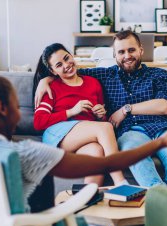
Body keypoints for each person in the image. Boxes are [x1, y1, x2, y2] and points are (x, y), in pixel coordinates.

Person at [0, 74, 167, 211]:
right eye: (17, 106)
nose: (20, 114)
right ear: (2, 108)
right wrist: (160, 143)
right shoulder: (28, 154)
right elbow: (105, 165)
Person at [35, 30, 167, 190]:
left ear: (141, 49)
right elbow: (67, 74)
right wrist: (45, 79)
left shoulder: (159, 74)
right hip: (132, 133)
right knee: (131, 152)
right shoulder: (106, 75)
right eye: (121, 52)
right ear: (115, 55)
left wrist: (124, 110)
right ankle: (156, 197)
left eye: (131, 50)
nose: (127, 56)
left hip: (163, 129)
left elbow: (165, 106)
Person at [33, 43, 127, 186]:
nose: (66, 65)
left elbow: (101, 119)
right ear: (52, 71)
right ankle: (121, 183)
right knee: (105, 127)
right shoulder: (51, 88)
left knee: (97, 152)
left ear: (72, 55)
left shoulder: (93, 83)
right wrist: (71, 111)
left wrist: (100, 115)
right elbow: (39, 122)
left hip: (84, 137)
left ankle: (87, 198)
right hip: (58, 136)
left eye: (66, 58)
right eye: (59, 65)